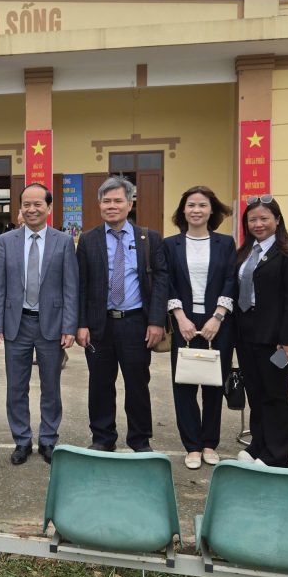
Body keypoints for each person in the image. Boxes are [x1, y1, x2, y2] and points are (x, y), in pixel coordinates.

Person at [0, 183, 79, 465]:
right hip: (17, 324)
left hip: (51, 324)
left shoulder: (63, 241)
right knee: (16, 387)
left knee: (50, 386)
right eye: (26, 204)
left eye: (37, 204)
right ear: (20, 208)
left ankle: (49, 439)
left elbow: (71, 288)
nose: (31, 209)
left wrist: (69, 326)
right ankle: (22, 440)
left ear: (49, 208)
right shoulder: (7, 241)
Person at [76, 176, 168, 452]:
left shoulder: (149, 238)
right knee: (100, 385)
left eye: (118, 201)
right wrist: (81, 324)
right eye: (106, 201)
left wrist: (156, 321)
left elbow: (161, 282)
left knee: (137, 384)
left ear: (130, 204)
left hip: (136, 323)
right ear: (99, 205)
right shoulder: (88, 239)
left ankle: (140, 440)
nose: (112, 206)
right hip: (100, 325)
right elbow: (81, 285)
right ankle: (103, 438)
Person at [234, 195, 288, 468]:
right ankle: (259, 445)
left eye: (264, 218)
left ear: (277, 220)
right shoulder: (244, 252)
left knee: (276, 394)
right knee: (255, 393)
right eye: (252, 219)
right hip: (246, 335)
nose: (258, 224)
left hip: (277, 339)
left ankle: (277, 455)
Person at [163, 186, 235, 469]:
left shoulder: (225, 243)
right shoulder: (170, 245)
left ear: (211, 210)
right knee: (184, 383)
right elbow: (167, 282)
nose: (196, 210)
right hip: (184, 320)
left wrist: (218, 316)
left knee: (214, 383)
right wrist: (180, 317)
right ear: (183, 210)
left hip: (218, 320)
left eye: (202, 205)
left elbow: (231, 279)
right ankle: (192, 445)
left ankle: (209, 443)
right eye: (191, 205)